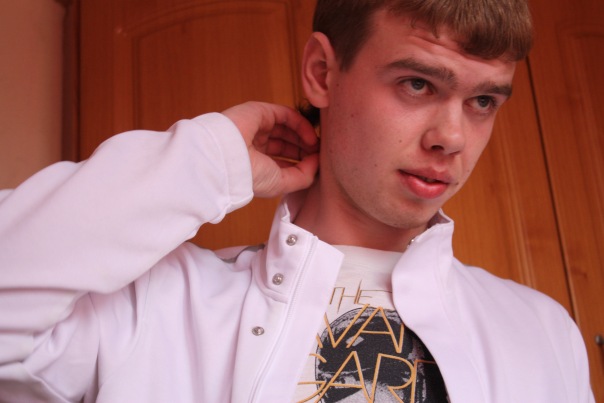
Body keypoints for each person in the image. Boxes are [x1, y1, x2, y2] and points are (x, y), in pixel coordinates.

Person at [0, 0, 595, 401]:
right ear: (321, 73)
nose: (453, 137)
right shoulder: (155, 304)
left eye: (483, 101)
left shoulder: (542, 331)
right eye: (418, 84)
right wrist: (209, 159)